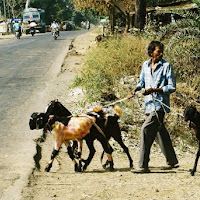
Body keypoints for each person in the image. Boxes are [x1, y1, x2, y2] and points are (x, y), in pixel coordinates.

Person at [127, 41, 178, 172]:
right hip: (149, 105)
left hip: (160, 105)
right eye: (158, 51)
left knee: (145, 129)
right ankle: (172, 160)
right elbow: (142, 82)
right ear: (151, 52)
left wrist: (155, 90)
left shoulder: (166, 66)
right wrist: (134, 90)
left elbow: (171, 87)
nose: (161, 53)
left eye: (161, 51)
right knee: (160, 132)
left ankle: (143, 165)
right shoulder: (145, 65)